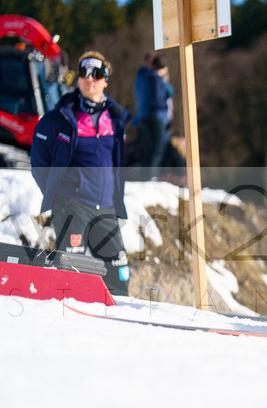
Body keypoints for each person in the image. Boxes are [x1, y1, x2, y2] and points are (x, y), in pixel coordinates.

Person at [30, 51, 132, 296]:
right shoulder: (60, 118)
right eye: (84, 73)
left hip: (106, 208)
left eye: (96, 74)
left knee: (119, 275)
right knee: (73, 273)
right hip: (73, 206)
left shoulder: (115, 119)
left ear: (105, 80)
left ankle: (121, 325)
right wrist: (60, 195)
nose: (89, 79)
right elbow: (39, 163)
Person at [133, 52, 174, 180]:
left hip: (142, 115)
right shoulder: (155, 78)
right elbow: (168, 92)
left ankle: (145, 177)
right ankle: (151, 177)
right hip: (156, 116)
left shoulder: (140, 77)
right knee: (157, 148)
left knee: (148, 148)